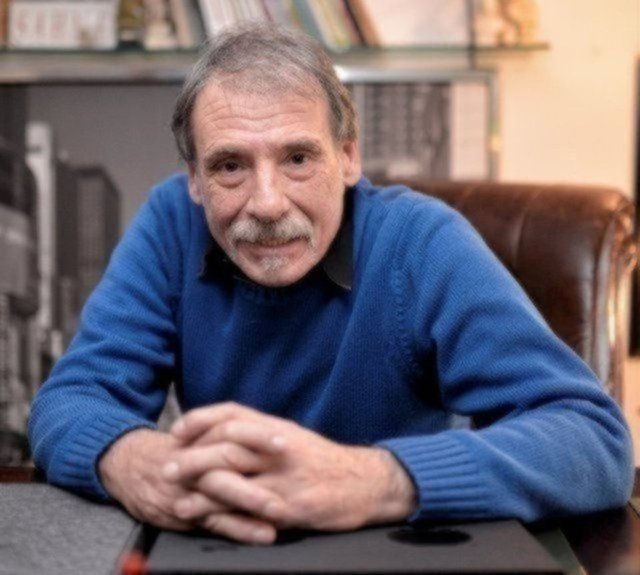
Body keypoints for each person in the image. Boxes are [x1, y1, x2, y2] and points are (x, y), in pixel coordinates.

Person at [29, 24, 633, 546]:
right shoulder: (170, 223)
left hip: (402, 551)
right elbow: (69, 400)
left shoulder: (421, 241)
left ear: (347, 157)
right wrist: (134, 461)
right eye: (230, 166)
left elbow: (595, 441)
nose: (267, 204)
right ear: (194, 179)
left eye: (298, 158)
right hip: (228, 551)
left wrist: (372, 480)